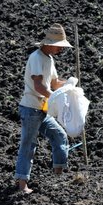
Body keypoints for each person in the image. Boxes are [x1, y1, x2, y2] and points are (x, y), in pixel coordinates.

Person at [14, 23, 73, 194]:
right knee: (29, 145)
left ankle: (58, 174)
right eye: (58, 46)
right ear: (49, 44)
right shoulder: (36, 57)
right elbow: (39, 86)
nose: (60, 50)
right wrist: (55, 98)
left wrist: (69, 84)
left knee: (59, 135)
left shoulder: (49, 58)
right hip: (31, 108)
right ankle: (22, 183)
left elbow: (53, 83)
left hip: (42, 109)